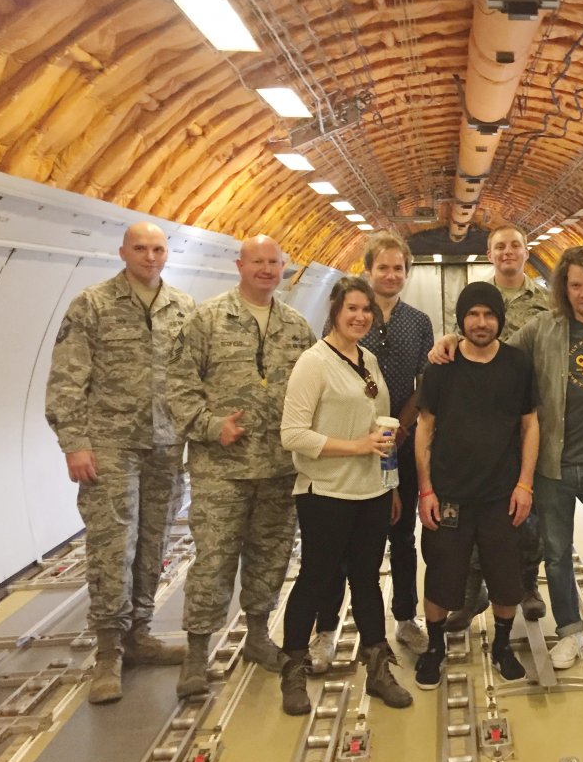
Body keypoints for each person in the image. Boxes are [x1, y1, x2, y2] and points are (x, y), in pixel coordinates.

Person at [430, 246, 583, 675]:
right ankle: (570, 631)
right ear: (563, 288)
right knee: (556, 554)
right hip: (553, 465)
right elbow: (492, 349)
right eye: (575, 285)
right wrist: (450, 340)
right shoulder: (544, 328)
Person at [45, 222, 194, 704]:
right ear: (123, 251)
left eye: (158, 249)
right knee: (113, 545)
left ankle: (140, 634)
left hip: (166, 444)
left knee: (153, 541)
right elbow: (67, 379)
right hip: (110, 444)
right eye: (141, 249)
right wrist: (74, 442)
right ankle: (108, 649)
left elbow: (193, 374)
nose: (150, 257)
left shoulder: (183, 307)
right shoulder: (93, 304)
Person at [168, 235, 316, 698]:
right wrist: (211, 426)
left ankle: (257, 635)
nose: (267, 269)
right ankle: (196, 652)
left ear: (285, 269)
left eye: (275, 262)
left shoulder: (295, 327)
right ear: (239, 265)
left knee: (270, 558)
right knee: (213, 562)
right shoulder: (207, 319)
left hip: (278, 467)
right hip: (221, 470)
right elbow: (177, 385)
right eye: (258, 261)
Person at [277, 277, 412, 714]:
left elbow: (379, 427)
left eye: (366, 310)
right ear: (335, 311)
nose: (359, 316)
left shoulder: (368, 359)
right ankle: (293, 670)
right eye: (351, 308)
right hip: (326, 493)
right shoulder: (313, 363)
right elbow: (292, 434)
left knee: (368, 580)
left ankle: (376, 669)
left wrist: (388, 484)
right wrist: (356, 447)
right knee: (315, 579)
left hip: (370, 491)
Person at [310, 233, 434, 671]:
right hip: (347, 444)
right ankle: (326, 627)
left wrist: (400, 431)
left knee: (402, 537)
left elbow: (425, 385)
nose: (391, 274)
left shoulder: (418, 323)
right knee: (340, 543)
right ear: (367, 271)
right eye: (382, 267)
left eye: (399, 267)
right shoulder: (347, 319)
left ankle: (404, 617)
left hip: (399, 439)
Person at [413, 282, 540, 689]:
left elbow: (530, 424)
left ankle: (502, 647)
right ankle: (435, 649)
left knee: (507, 579)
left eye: (489, 315)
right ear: (461, 320)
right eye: (473, 314)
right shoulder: (440, 368)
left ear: (500, 320)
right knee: (441, 577)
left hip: (501, 495)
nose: (481, 323)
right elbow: (425, 427)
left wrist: (525, 485)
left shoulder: (518, 364)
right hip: (450, 494)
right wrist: (426, 489)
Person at [445, 223, 552, 630]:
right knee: (475, 512)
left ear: (527, 252)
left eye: (515, 246)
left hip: (527, 418)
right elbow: (457, 342)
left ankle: (528, 585)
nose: (508, 252)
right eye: (500, 247)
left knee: (528, 514)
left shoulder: (546, 303)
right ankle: (472, 592)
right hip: (480, 425)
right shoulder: (477, 299)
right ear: (490, 255)